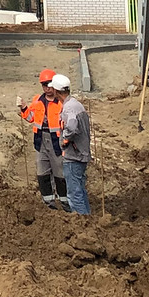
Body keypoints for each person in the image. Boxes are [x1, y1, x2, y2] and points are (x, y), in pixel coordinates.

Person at [17, 67, 68, 210]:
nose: (47, 88)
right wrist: (24, 108)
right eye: (44, 85)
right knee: (42, 172)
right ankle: (49, 204)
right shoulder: (37, 101)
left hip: (57, 141)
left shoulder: (62, 103)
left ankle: (65, 203)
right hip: (40, 140)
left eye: (49, 84)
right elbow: (31, 118)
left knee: (60, 173)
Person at [52, 74, 92, 215]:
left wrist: (65, 139)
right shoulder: (75, 104)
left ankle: (82, 224)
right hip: (80, 155)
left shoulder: (69, 108)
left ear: (56, 91)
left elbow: (72, 127)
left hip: (74, 157)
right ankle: (88, 220)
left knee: (74, 195)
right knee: (80, 191)